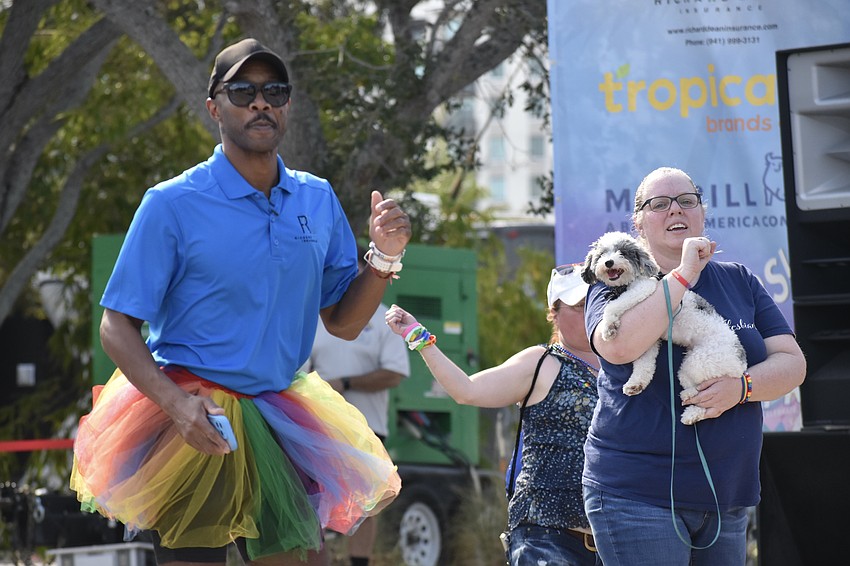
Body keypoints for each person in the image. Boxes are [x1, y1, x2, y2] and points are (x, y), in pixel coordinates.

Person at [69, 38, 411, 566]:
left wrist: (383, 259)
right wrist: (176, 405)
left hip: (282, 416)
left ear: (287, 105)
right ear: (214, 107)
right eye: (243, 91)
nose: (261, 103)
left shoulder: (316, 199)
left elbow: (343, 323)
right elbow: (116, 326)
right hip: (195, 419)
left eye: (274, 91)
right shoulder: (172, 203)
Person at [581, 166, 806, 565]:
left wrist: (742, 388)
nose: (675, 211)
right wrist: (684, 274)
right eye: (659, 204)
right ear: (639, 223)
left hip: (726, 497)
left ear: (702, 213)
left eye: (687, 201)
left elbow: (792, 365)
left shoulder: (740, 281)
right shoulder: (613, 280)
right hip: (637, 496)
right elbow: (618, 348)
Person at [386, 265, 601, 566]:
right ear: (553, 312)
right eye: (578, 305)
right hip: (546, 537)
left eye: (596, 300)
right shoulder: (541, 362)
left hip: (613, 538)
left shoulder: (625, 365)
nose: (589, 310)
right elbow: (467, 391)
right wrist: (418, 336)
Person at [303, 248, 410, 566]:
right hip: (318, 428)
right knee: (314, 501)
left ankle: (358, 562)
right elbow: (301, 374)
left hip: (367, 429)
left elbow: (394, 373)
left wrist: (345, 384)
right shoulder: (316, 318)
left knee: (366, 503)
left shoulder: (383, 317)